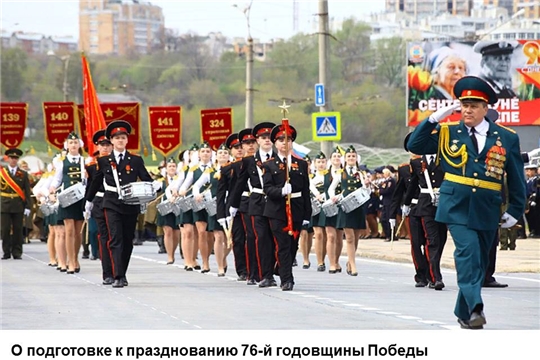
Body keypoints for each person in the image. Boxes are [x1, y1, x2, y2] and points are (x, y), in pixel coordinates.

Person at [407, 75, 526, 329]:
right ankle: (475, 307)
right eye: (464, 105)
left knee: (480, 261)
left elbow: (516, 176)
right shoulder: (448, 132)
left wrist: (515, 210)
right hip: (455, 204)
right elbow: (414, 144)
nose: (467, 110)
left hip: (487, 205)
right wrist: (434, 118)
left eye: (473, 106)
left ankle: (463, 311)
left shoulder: (506, 137)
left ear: (486, 109)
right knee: (468, 253)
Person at [85, 120, 161, 288]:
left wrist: (155, 185)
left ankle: (122, 272)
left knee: (127, 240)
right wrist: (88, 201)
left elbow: (146, 178)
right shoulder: (104, 161)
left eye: (123, 138)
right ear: (112, 141)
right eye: (117, 138)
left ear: (127, 141)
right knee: (115, 238)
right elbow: (96, 182)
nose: (120, 141)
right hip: (111, 203)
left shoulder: (135, 160)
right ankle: (116, 275)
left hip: (130, 203)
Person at [262, 123, 311, 291]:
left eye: (288, 139)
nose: (284, 143)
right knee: (282, 245)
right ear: (275, 143)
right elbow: (267, 188)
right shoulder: (269, 165)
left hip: (296, 208)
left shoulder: (301, 164)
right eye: (281, 140)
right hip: (277, 209)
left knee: (292, 245)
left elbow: (305, 190)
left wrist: (307, 214)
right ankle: (287, 279)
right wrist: (281, 191)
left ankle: (281, 268)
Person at [49, 132, 86, 274]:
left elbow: (87, 181)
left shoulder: (84, 161)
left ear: (79, 145)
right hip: (66, 199)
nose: (73, 145)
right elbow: (57, 181)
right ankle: (70, 261)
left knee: (78, 233)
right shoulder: (61, 162)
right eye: (71, 143)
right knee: (69, 230)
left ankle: (75, 258)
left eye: (76, 142)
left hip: (80, 198)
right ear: (67, 145)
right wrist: (52, 191)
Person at [216, 133, 248, 281]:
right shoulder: (227, 169)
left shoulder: (252, 163)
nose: (239, 150)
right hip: (233, 207)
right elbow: (221, 194)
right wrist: (221, 215)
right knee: (238, 239)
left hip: (251, 203)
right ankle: (242, 270)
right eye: (236, 148)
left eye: (241, 147)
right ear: (231, 151)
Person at [85, 130, 114, 284]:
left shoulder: (117, 161)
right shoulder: (91, 166)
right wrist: (87, 203)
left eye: (108, 145)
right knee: (103, 236)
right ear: (97, 146)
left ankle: (118, 271)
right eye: (102, 145)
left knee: (116, 237)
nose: (105, 148)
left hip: (116, 202)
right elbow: (90, 186)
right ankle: (107, 272)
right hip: (100, 201)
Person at [1, 148, 32, 260]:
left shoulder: (23, 174)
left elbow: (27, 191)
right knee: (5, 230)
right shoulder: (2, 173)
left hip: (18, 204)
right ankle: (6, 252)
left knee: (18, 229)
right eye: (11, 158)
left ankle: (17, 252)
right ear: (8, 159)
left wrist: (28, 206)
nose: (13, 160)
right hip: (4, 204)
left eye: (15, 158)